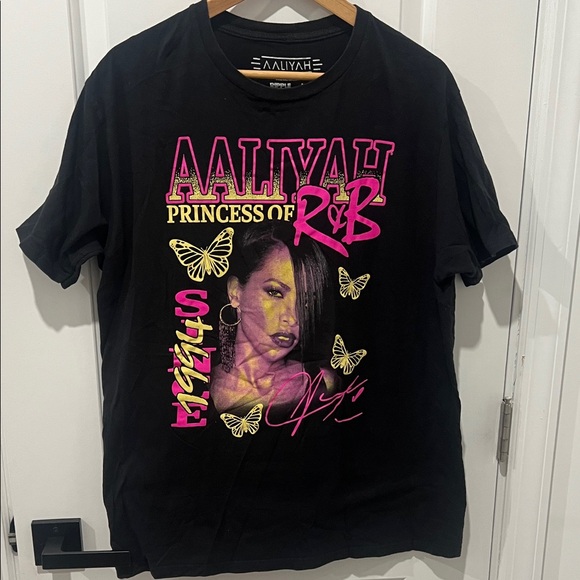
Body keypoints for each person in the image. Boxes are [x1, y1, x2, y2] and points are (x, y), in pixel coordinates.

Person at [211, 221, 336, 414]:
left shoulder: (321, 384)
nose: (293, 317)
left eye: (305, 302)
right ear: (235, 293)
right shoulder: (197, 380)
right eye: (275, 293)